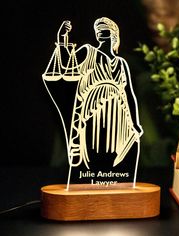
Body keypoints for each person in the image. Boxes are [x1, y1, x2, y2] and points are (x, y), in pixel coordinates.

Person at [43, 17, 143, 188]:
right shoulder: (87, 52)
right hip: (93, 114)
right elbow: (67, 65)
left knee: (122, 154)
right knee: (92, 156)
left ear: (114, 34)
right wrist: (62, 40)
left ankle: (115, 188)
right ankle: (89, 186)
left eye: (105, 30)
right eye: (99, 30)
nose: (101, 33)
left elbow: (129, 95)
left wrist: (135, 123)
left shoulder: (121, 64)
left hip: (120, 118)